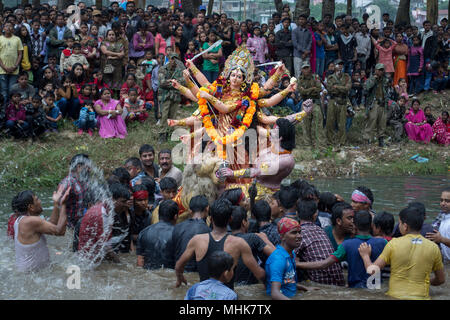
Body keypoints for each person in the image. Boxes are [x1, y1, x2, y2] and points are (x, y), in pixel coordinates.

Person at [175, 198, 265, 289]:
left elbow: (179, 266)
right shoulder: (239, 243)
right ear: (230, 219)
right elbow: (259, 273)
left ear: (211, 219)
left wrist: (180, 278)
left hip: (203, 295)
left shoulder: (197, 240)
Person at [359, 207, 445, 300]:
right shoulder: (433, 247)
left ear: (405, 226)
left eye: (399, 223)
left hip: (395, 297)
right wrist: (425, 281)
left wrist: (365, 255)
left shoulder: (394, 244)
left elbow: (372, 271)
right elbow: (440, 280)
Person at [298, 210, 387, 288]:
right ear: (371, 224)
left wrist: (297, 264)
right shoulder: (383, 243)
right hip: (376, 288)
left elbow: (324, 264)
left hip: (356, 289)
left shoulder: (347, 245)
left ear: (354, 224)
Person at [14, 186, 71, 272]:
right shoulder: (30, 221)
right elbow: (60, 231)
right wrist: (64, 204)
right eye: (37, 200)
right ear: (31, 207)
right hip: (32, 276)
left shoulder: (21, 220)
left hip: (32, 273)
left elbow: (52, 225)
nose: (40, 201)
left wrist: (56, 204)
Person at [295, 199, 346, 286]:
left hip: (321, 283)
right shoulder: (321, 230)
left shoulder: (299, 233)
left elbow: (287, 258)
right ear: (315, 215)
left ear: (296, 214)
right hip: (340, 282)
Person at [265, 217, 315, 300]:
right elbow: (275, 293)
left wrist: (305, 288)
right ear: (282, 236)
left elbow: (288, 281)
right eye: (294, 233)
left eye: (299, 232)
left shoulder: (291, 253)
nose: (299, 236)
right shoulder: (278, 260)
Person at [230, 206, 276, 286]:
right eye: (247, 220)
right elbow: (277, 256)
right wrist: (265, 239)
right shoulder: (252, 238)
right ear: (244, 222)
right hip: (249, 285)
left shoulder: (226, 239)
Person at [166, 195, 211, 272]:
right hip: (196, 274)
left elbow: (170, 253)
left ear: (190, 211)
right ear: (207, 208)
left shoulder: (177, 227)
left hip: (178, 271)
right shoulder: (208, 231)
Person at [136, 199, 178, 269]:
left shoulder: (143, 232)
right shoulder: (177, 234)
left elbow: (140, 261)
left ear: (158, 214)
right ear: (175, 216)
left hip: (148, 274)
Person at [157, 52, 185, 143]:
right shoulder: (162, 69)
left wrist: (171, 82)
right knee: (164, 115)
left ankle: (170, 133)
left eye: (175, 59)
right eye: (172, 58)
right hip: (164, 96)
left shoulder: (180, 70)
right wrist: (175, 83)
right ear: (169, 59)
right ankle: (162, 134)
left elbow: (183, 82)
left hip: (175, 96)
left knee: (173, 116)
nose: (173, 61)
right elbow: (162, 83)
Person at [363, 63, 391, 147]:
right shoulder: (371, 79)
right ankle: (366, 139)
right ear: (375, 70)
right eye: (379, 70)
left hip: (383, 103)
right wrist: (374, 79)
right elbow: (366, 87)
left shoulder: (385, 80)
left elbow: (388, 90)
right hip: (374, 103)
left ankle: (381, 140)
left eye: (382, 70)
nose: (381, 72)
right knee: (371, 120)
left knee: (382, 123)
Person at [297, 62, 324, 148]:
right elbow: (301, 92)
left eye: (307, 68)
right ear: (301, 70)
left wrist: (307, 90)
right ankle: (307, 144)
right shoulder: (300, 79)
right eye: (304, 68)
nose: (306, 70)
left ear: (310, 68)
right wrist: (312, 89)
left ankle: (319, 143)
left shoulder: (315, 77)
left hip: (315, 101)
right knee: (306, 124)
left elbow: (319, 89)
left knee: (318, 123)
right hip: (305, 102)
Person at [325, 59, 351, 146]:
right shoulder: (330, 77)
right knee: (330, 122)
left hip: (343, 101)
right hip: (333, 100)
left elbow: (347, 89)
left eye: (341, 64)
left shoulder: (347, 76)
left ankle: (341, 142)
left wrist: (337, 87)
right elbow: (330, 89)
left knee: (342, 123)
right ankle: (330, 141)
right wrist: (341, 88)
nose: (340, 66)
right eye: (338, 64)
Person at [0, 22, 24, 102]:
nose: (8, 28)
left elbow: (20, 54)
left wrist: (15, 65)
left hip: (14, 70)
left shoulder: (17, 39)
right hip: (2, 70)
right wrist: (4, 67)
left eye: (10, 26)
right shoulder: (0, 39)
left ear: (13, 29)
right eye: (6, 26)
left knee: (12, 91)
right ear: (3, 28)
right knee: (3, 91)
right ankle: (4, 110)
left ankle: (11, 110)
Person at [427, 189, 450, 262]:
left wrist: (441, 239)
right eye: (441, 200)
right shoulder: (441, 216)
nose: (443, 203)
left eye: (447, 201)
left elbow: (440, 239)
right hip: (444, 262)